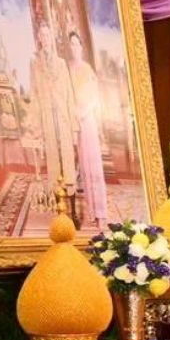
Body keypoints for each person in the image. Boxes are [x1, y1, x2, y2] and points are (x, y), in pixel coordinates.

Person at [64, 30, 111, 229]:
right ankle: (91, 211)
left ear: (81, 47)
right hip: (74, 120)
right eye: (71, 44)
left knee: (94, 165)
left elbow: (94, 97)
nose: (74, 48)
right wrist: (72, 114)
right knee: (83, 167)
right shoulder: (67, 70)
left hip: (87, 119)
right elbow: (66, 95)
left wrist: (83, 113)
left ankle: (101, 212)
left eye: (77, 44)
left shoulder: (87, 69)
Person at [27, 21, 76, 199]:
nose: (45, 38)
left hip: (62, 115)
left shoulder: (61, 63)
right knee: (53, 154)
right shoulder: (35, 64)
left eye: (48, 35)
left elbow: (69, 93)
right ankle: (56, 193)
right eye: (42, 35)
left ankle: (70, 191)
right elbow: (34, 93)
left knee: (67, 153)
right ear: (39, 38)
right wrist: (36, 123)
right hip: (47, 114)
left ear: (51, 37)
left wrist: (73, 124)